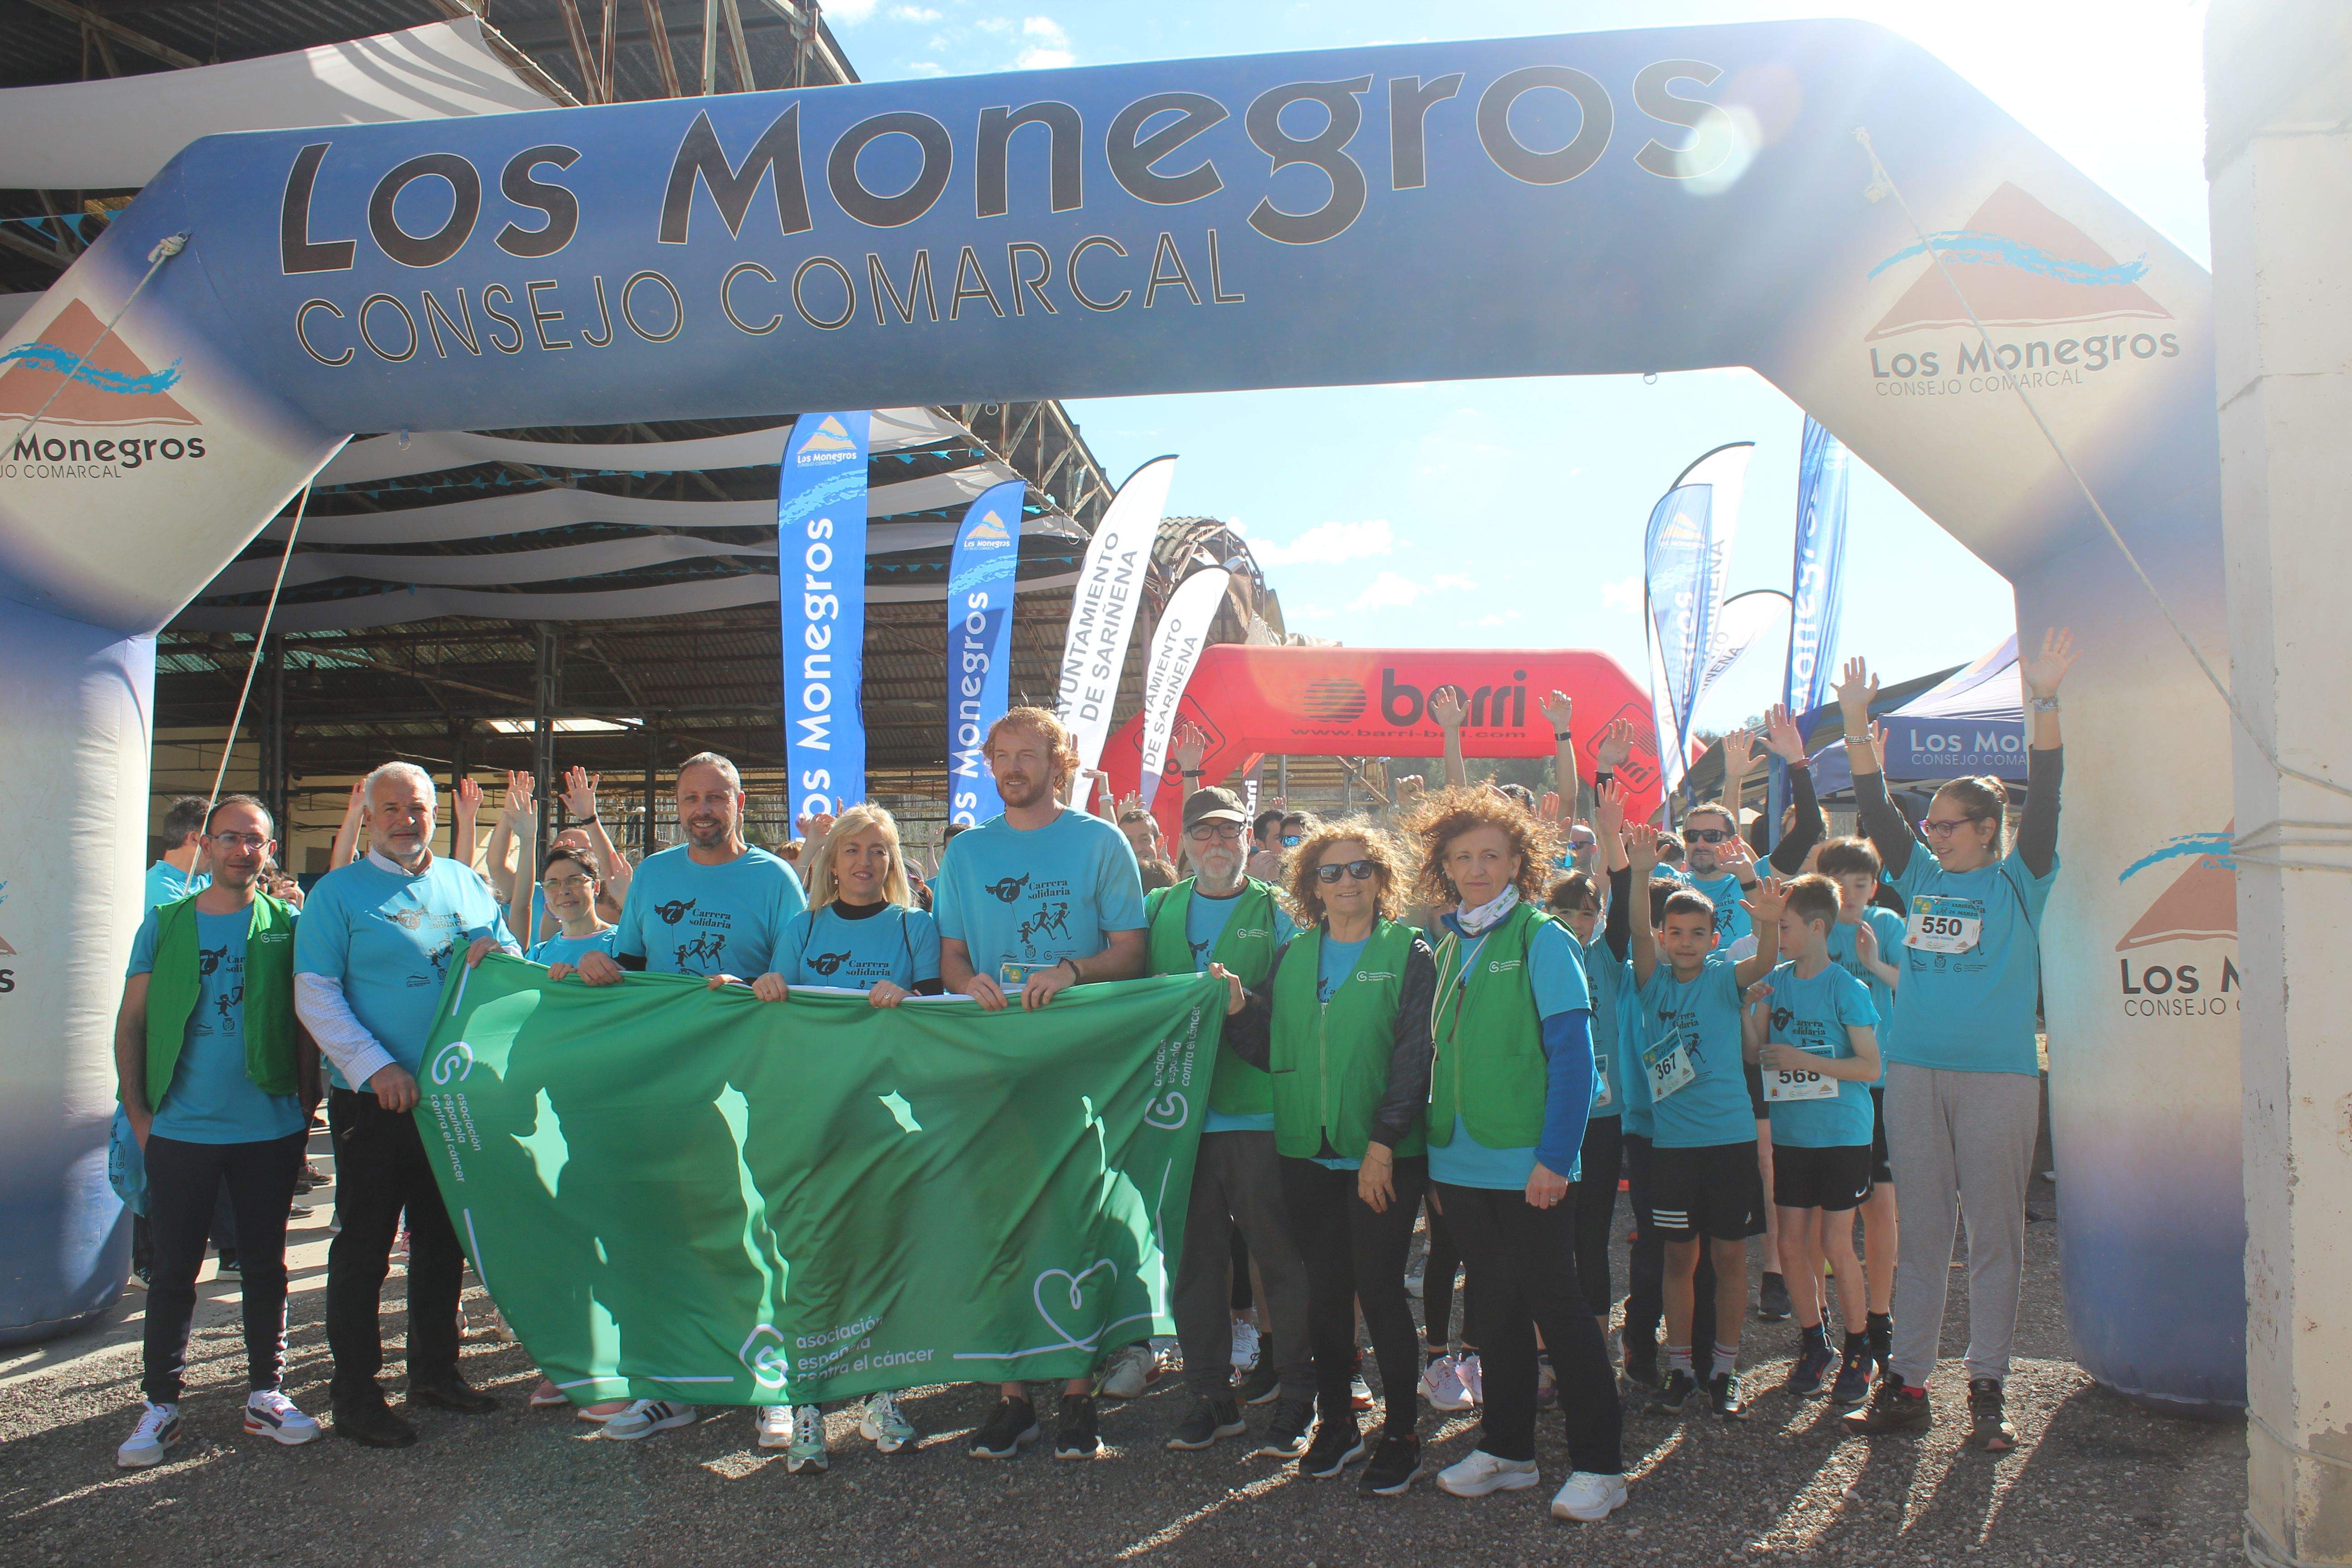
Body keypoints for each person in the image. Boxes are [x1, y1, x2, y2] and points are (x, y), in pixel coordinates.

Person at [1841, 632, 2073, 1450]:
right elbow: (1875, 812)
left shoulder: (2020, 878)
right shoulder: (1922, 879)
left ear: (1984, 828)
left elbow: (2047, 791)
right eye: (1929, 823)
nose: (1931, 834)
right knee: (1921, 1234)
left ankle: (1987, 1386)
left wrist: (2044, 699)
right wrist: (1856, 724)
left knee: (1993, 1237)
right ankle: (1907, 1383)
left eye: (1945, 825)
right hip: (1913, 1073)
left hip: (1997, 1079)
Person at [569, 750, 808, 1440]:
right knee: (664, 1231)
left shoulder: (775, 879)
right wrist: (598, 961)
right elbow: (633, 967)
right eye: (691, 798)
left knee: (752, 1232)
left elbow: (792, 983)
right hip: (665, 1083)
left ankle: (772, 1383)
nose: (702, 809)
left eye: (716, 797)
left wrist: (749, 991)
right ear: (678, 806)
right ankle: (669, 1386)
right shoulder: (654, 874)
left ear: (740, 803)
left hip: (745, 1082)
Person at [1403, 786, 1626, 1522]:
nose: (1475, 868)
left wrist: (1555, 1159)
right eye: (1462, 856)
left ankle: (1601, 1465)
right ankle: (1508, 1451)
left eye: (1490, 856)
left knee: (1558, 1309)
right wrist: (1437, 1164)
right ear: (1443, 865)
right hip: (1460, 1163)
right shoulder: (1449, 943)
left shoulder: (1542, 936)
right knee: (1493, 1309)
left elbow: (1574, 1059)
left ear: (1516, 863)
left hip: (1529, 1163)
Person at [932, 706, 1147, 1461]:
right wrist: (968, 983)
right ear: (989, 765)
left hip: (1078, 1063)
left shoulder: (1099, 841)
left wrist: (1072, 970)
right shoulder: (967, 853)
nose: (1014, 768)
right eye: (1003, 756)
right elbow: (950, 956)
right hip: (992, 1066)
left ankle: (1078, 1394)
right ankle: (1012, 1398)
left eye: (1029, 755)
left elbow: (1132, 950)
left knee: (1075, 1218)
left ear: (1058, 764)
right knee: (999, 1223)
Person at [294, 762, 517, 1448]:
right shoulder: (337, 894)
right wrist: (376, 1066)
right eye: (390, 808)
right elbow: (315, 993)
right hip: (376, 1104)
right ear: (368, 816)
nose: (404, 819)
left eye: (416, 807)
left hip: (450, 1100)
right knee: (365, 1250)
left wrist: (499, 952)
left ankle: (435, 1373)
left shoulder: (464, 883)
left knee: (442, 1242)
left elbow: (511, 961)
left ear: (434, 813)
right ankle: (357, 1394)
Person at [1216, 818, 1435, 1493]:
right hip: (1306, 1152)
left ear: (1382, 878)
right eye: (1331, 871)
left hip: (1382, 1156)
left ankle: (1402, 1435)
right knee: (1326, 1295)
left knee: (1381, 1293)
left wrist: (1383, 1145)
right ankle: (1337, 1422)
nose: (1347, 881)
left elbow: (1415, 1059)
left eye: (1361, 868)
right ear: (1312, 885)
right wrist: (1237, 1008)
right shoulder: (1294, 955)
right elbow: (1269, 1048)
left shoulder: (1410, 951)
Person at [113, 795, 321, 1468]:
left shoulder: (287, 926)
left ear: (269, 850)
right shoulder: (165, 924)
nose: (241, 850)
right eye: (229, 838)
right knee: (175, 1271)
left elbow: (310, 1020)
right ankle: (161, 1406)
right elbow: (132, 1023)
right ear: (206, 845)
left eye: (254, 839)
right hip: (181, 1129)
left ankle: (266, 1393)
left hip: (269, 1129)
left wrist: (305, 1109)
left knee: (265, 1265)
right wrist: (140, 1116)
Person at [736, 804, 944, 1470]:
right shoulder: (802, 929)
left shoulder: (915, 927)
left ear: (892, 861)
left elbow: (942, 1019)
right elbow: (777, 1019)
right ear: (831, 861)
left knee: (881, 1255)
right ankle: (807, 1404)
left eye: (878, 850)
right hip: (811, 1122)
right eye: (852, 850)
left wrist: (910, 1001)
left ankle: (882, 1395)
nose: (865, 862)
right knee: (813, 1263)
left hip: (884, 1124)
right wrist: (767, 986)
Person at [1140, 788, 1315, 1461]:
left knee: (1279, 1260)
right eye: (1203, 832)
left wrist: (1247, 1006)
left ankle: (1299, 1396)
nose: (1216, 843)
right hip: (1179, 1118)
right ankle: (1210, 1396)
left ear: (1249, 839)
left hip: (1256, 1114)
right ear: (1183, 843)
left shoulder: (1279, 913)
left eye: (1228, 832)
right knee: (1194, 1265)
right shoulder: (1158, 909)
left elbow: (1300, 1012)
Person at [1627, 821, 1784, 1420]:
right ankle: (1682, 1367)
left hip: (1730, 1141)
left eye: (1698, 933)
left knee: (1729, 1258)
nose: (1686, 942)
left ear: (1715, 938)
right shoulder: (1651, 982)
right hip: (1673, 1146)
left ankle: (1724, 1366)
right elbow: (1635, 931)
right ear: (1664, 938)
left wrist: (1768, 917)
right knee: (1678, 1259)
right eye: (1676, 933)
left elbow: (1765, 958)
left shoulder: (1722, 977)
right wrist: (1640, 873)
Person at [1740, 874, 1882, 1407]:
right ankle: (1813, 1342)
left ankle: (1860, 1347)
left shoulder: (1847, 988)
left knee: (1835, 1244)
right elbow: (1755, 1054)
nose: (1778, 936)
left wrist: (1804, 1059)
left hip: (1842, 1134)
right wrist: (1746, 1011)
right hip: (1793, 1134)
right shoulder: (1775, 982)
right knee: (1790, 1244)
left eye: (1786, 927)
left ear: (1818, 927)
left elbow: (1870, 1067)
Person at [1818, 836, 1909, 1382]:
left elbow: (1916, 985)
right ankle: (1823, 1324)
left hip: (1881, 1083)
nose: (1850, 894)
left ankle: (1881, 1315)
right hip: (1824, 1085)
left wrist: (1874, 961)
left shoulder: (1888, 925)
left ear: (1874, 887)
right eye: (1840, 883)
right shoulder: (1816, 923)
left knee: (1881, 1205)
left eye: (1860, 884)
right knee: (1828, 1213)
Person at [145, 796, 212, 907]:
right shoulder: (159, 886)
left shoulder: (206, 879)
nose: (221, 847)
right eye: (215, 838)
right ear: (195, 838)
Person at [1247, 806, 1289, 882]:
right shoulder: (1244, 884)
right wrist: (1255, 881)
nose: (1287, 842)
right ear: (1260, 845)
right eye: (1279, 838)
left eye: (1290, 837)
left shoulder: (1303, 878)